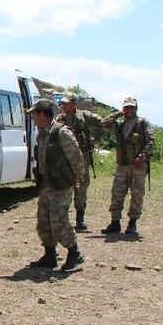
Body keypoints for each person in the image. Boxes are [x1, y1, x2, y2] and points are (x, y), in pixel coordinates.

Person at [26, 98, 86, 272]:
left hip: (60, 185)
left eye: (34, 114)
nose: (32, 118)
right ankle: (50, 256)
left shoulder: (62, 133)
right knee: (43, 221)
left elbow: (77, 158)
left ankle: (75, 253)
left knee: (59, 221)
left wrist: (78, 181)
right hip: (46, 184)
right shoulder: (41, 133)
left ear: (43, 114)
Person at [100, 97, 154, 236]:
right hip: (122, 165)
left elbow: (151, 142)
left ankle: (132, 223)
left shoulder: (142, 123)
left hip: (138, 166)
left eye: (131, 107)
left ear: (136, 108)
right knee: (117, 194)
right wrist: (118, 113)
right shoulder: (119, 124)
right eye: (127, 107)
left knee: (136, 194)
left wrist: (142, 156)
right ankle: (115, 223)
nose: (129, 110)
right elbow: (103, 123)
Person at [55, 92, 105, 231]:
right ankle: (62, 218)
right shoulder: (60, 119)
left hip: (82, 157)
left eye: (66, 103)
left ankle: (80, 219)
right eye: (63, 104)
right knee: (64, 186)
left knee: (81, 186)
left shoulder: (84, 116)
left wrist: (97, 139)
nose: (64, 106)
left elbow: (103, 123)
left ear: (74, 103)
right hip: (64, 158)